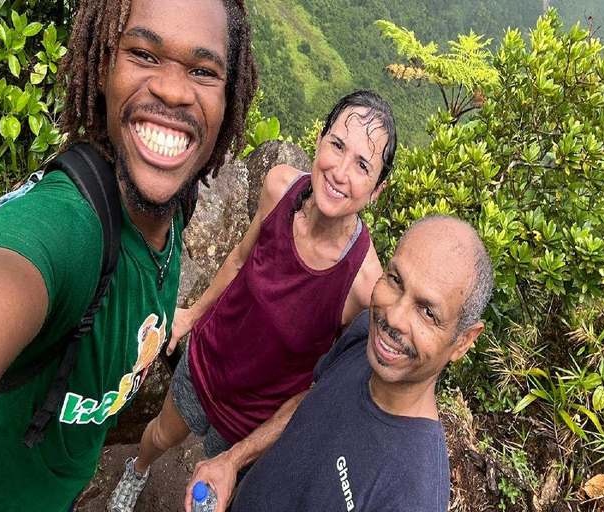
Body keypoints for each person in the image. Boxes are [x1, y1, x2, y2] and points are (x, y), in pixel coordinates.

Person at [0, 0, 258, 511]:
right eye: (143, 53)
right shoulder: (68, 228)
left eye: (203, 70)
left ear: (229, 98)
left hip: (62, 488)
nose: (175, 90)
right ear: (103, 68)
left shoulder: (175, 198)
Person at [106, 90, 397, 511]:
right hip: (208, 359)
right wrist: (191, 314)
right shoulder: (281, 186)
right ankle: (137, 469)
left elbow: (324, 381)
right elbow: (242, 257)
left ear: (377, 189)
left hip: (255, 416)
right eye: (337, 145)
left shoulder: (363, 285)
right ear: (319, 141)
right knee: (159, 436)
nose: (340, 171)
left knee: (208, 496)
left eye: (363, 165)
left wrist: (240, 455)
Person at [184, 215, 494, 512]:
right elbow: (311, 402)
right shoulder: (365, 337)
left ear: (464, 340)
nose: (393, 317)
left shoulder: (412, 494)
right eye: (396, 280)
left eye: (428, 312)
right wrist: (233, 460)